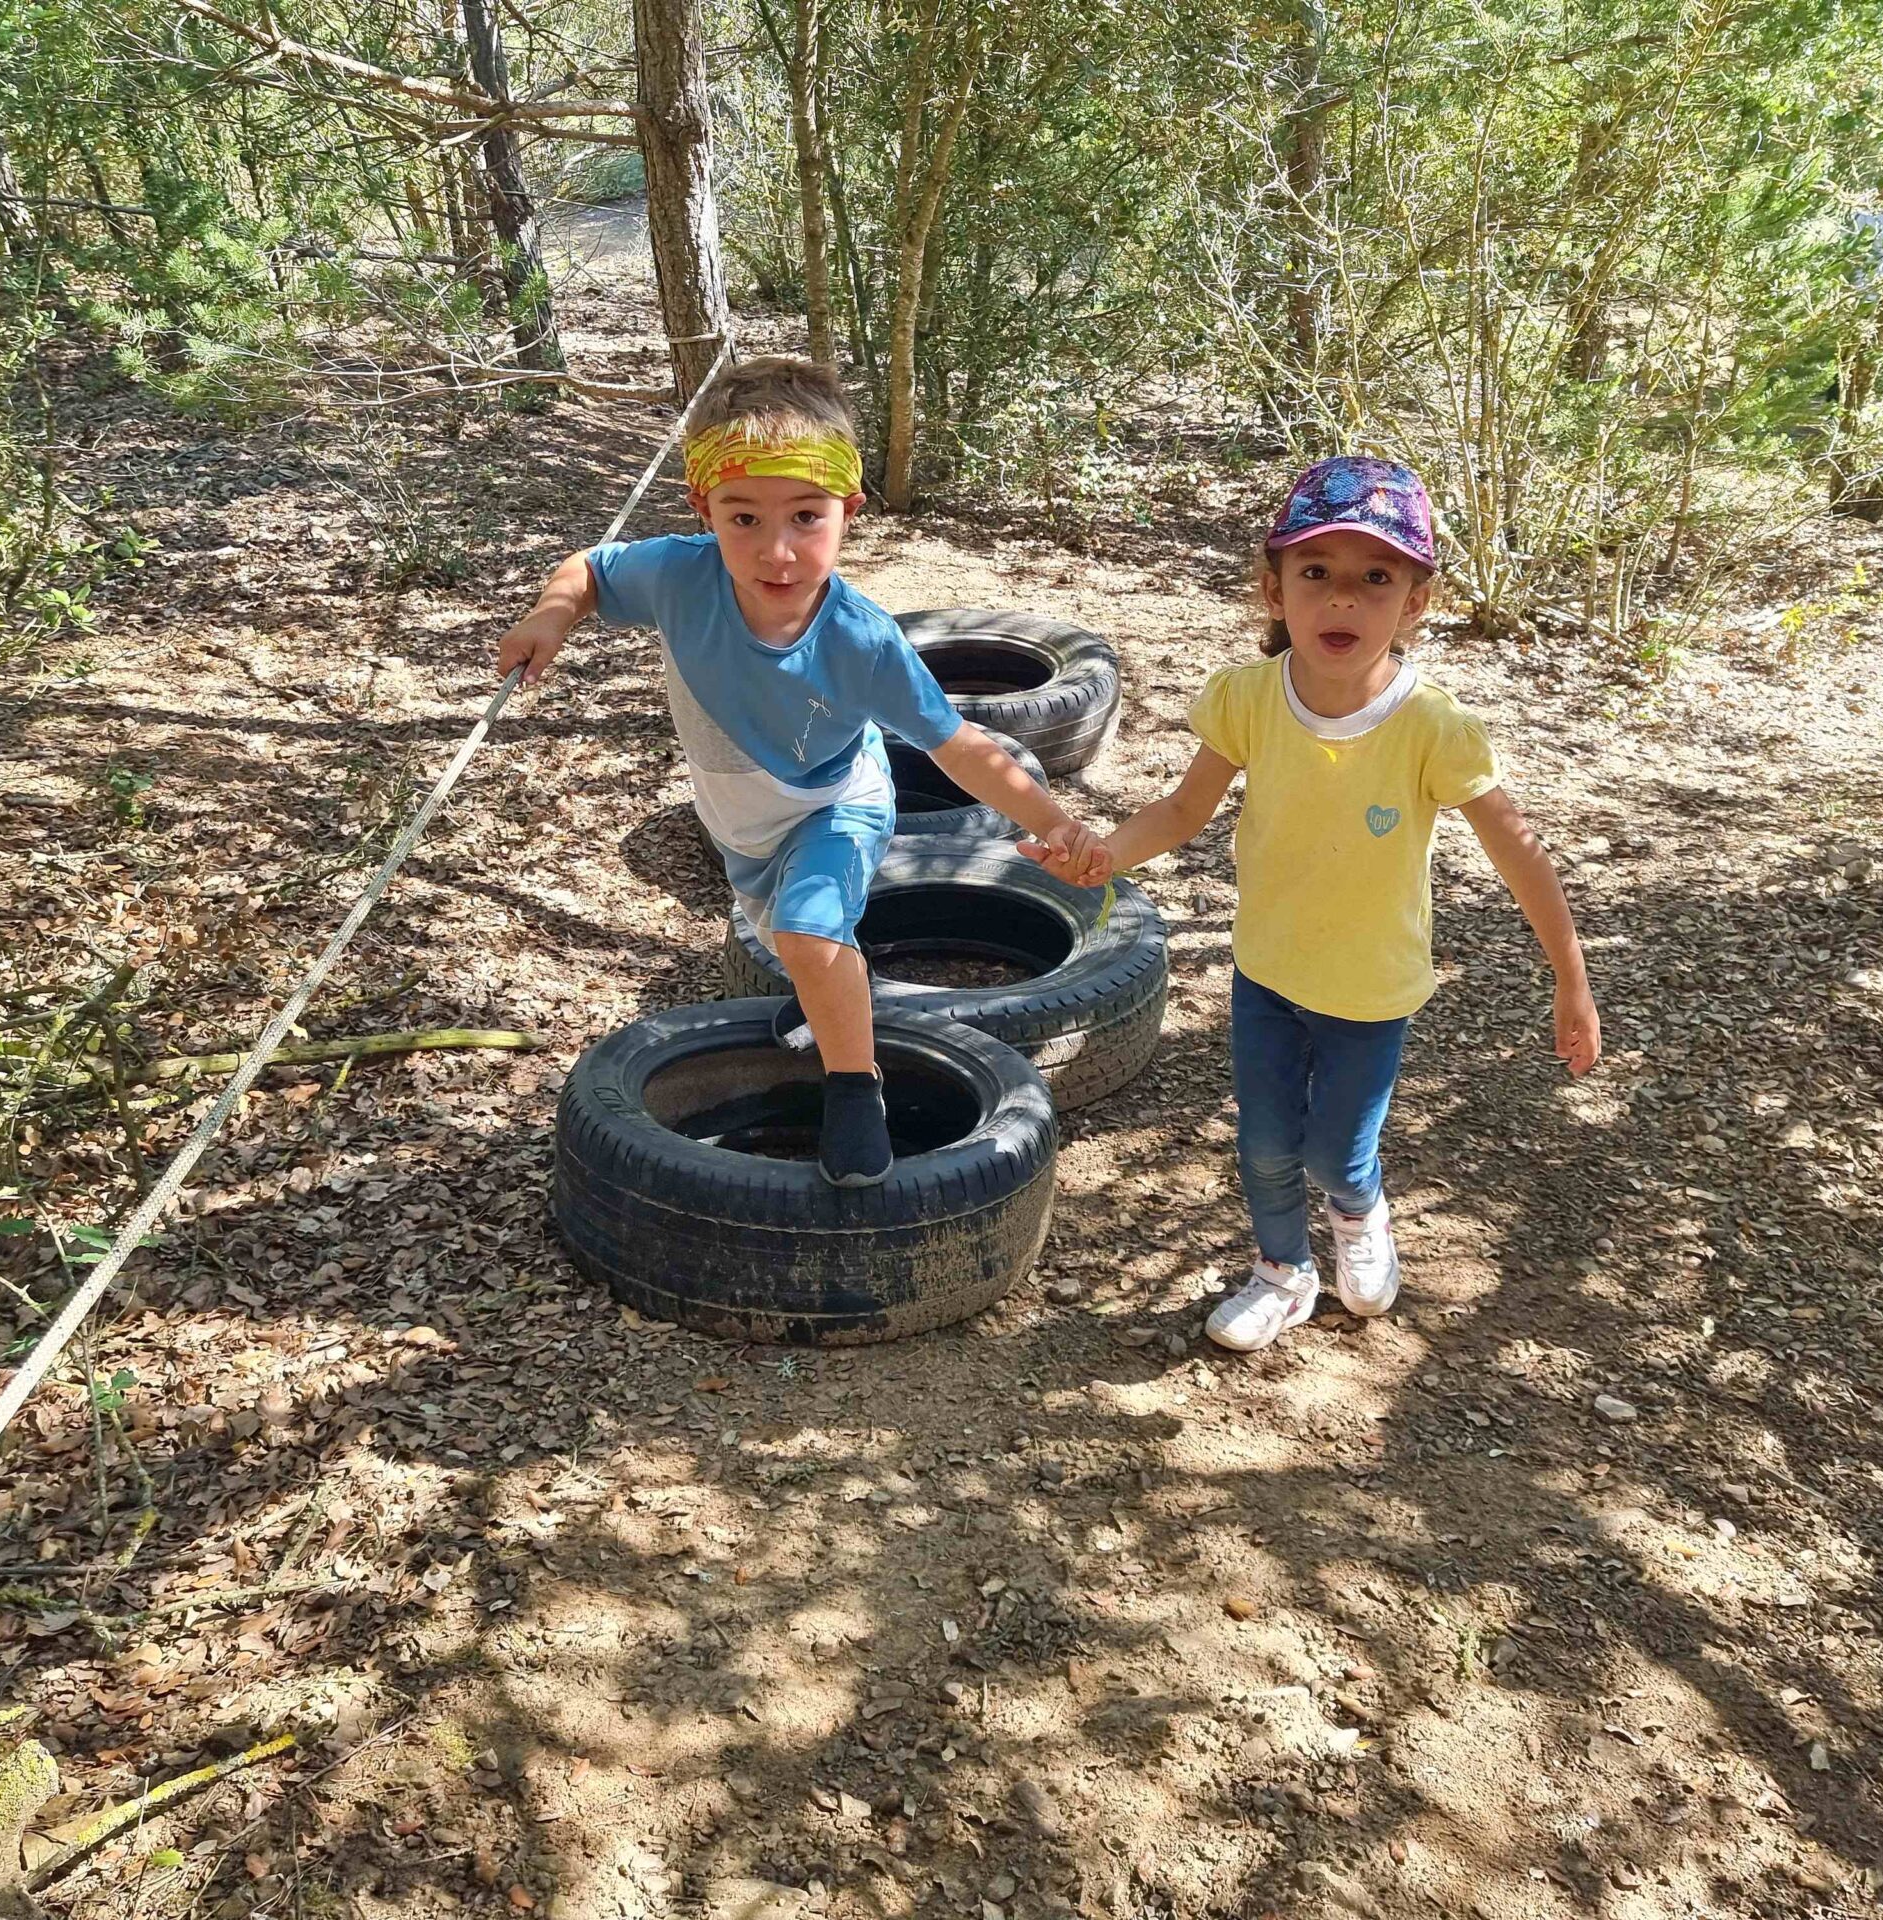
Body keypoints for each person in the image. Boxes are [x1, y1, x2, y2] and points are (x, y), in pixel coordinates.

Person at [1034, 455, 1600, 1351]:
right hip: (1268, 968)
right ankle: (1283, 1272)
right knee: (1263, 1143)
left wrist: (1570, 976)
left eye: (1375, 578)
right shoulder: (1248, 697)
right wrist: (1104, 854)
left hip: (1371, 989)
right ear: (1274, 589)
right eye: (1317, 574)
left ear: (1415, 603)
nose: (1344, 600)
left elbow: (1514, 848)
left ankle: (1360, 1211)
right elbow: (1185, 809)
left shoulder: (1433, 727)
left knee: (1335, 1150)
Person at [495, 356, 1098, 1187]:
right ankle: (824, 1003)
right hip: (741, 822)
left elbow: (958, 745)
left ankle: (856, 1086)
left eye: (806, 517)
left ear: (848, 511)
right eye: (743, 518)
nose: (775, 550)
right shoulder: (678, 574)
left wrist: (1055, 825)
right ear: (702, 509)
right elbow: (590, 569)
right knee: (806, 942)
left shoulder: (863, 639)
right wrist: (550, 615)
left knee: (808, 933)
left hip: (837, 803)